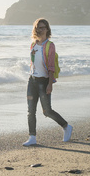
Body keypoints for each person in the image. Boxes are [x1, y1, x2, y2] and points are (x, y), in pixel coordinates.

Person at [23, 18, 73, 146]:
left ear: (47, 29)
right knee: (30, 111)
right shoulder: (33, 44)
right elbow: (32, 62)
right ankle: (32, 137)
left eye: (43, 27)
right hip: (32, 80)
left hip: (44, 81)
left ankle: (66, 126)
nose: (40, 30)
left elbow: (51, 67)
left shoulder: (50, 46)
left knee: (47, 111)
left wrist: (50, 84)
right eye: (38, 27)